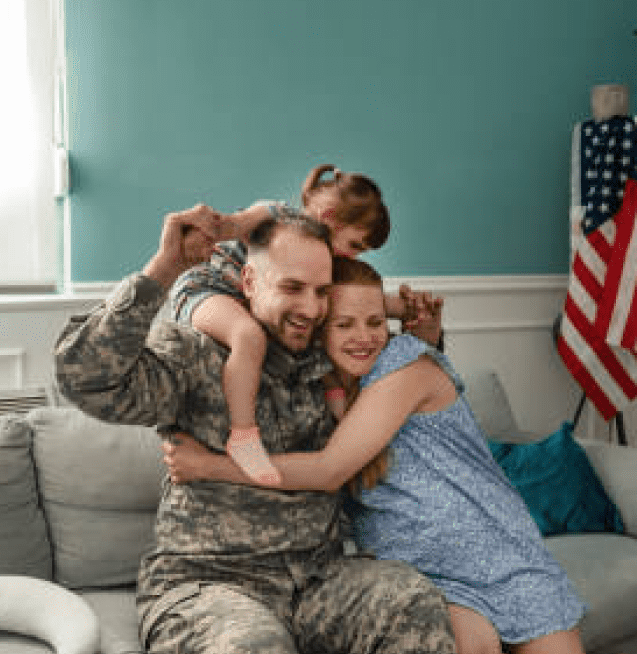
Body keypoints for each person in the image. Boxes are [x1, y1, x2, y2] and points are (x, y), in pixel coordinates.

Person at [165, 256, 637, 654]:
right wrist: (381, 305)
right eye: (344, 323)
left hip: (498, 552)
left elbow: (327, 472)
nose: (364, 336)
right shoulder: (320, 391)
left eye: (376, 321)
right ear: (319, 324)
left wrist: (211, 465)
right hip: (425, 574)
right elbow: (245, 289)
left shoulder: (408, 364)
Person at [54, 207, 461, 654]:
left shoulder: (333, 362)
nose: (309, 306)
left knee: (411, 600)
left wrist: (427, 338)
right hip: (205, 586)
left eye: (321, 290)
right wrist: (163, 270)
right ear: (248, 285)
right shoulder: (197, 355)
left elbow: (405, 411)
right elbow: (86, 378)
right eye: (291, 287)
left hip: (319, 575)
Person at [168, 164, 436, 485]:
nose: (355, 258)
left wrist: (403, 307)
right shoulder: (275, 216)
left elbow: (351, 302)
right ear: (329, 218)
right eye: (355, 246)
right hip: (208, 289)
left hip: (244, 298)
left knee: (315, 352)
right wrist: (209, 228)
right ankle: (243, 435)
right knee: (248, 336)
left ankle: (340, 416)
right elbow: (234, 224)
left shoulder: (321, 268)